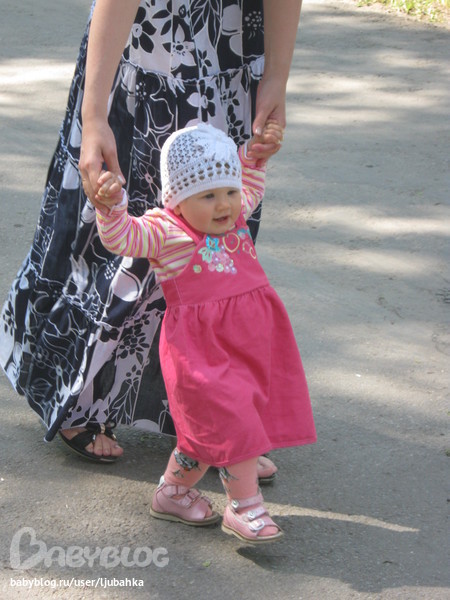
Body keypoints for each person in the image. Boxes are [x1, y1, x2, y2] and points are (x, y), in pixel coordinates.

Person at [0, 1, 303, 466]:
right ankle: (83, 397)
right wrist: (94, 116)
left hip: (232, 53)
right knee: (126, 237)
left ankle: (217, 420)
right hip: (152, 52)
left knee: (218, 253)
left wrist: (276, 78)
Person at [93, 122, 316, 544]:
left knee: (209, 433)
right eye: (208, 196)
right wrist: (111, 207)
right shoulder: (167, 231)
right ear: (177, 199)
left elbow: (250, 183)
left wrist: (253, 157)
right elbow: (123, 237)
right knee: (233, 420)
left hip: (250, 345)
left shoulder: (235, 213)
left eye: (229, 191)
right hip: (201, 354)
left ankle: (172, 493)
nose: (225, 205)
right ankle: (244, 506)